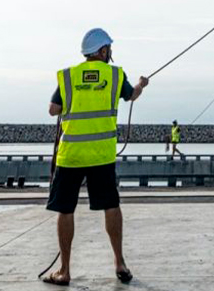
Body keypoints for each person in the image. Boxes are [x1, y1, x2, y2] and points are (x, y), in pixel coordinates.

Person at [44, 28, 149, 286]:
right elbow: (131, 95)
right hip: (101, 155)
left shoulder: (69, 77)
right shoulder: (114, 75)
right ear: (102, 51)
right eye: (109, 49)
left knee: (65, 210)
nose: (110, 53)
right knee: (111, 206)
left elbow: (53, 110)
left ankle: (65, 270)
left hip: (71, 156)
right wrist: (141, 85)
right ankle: (119, 263)